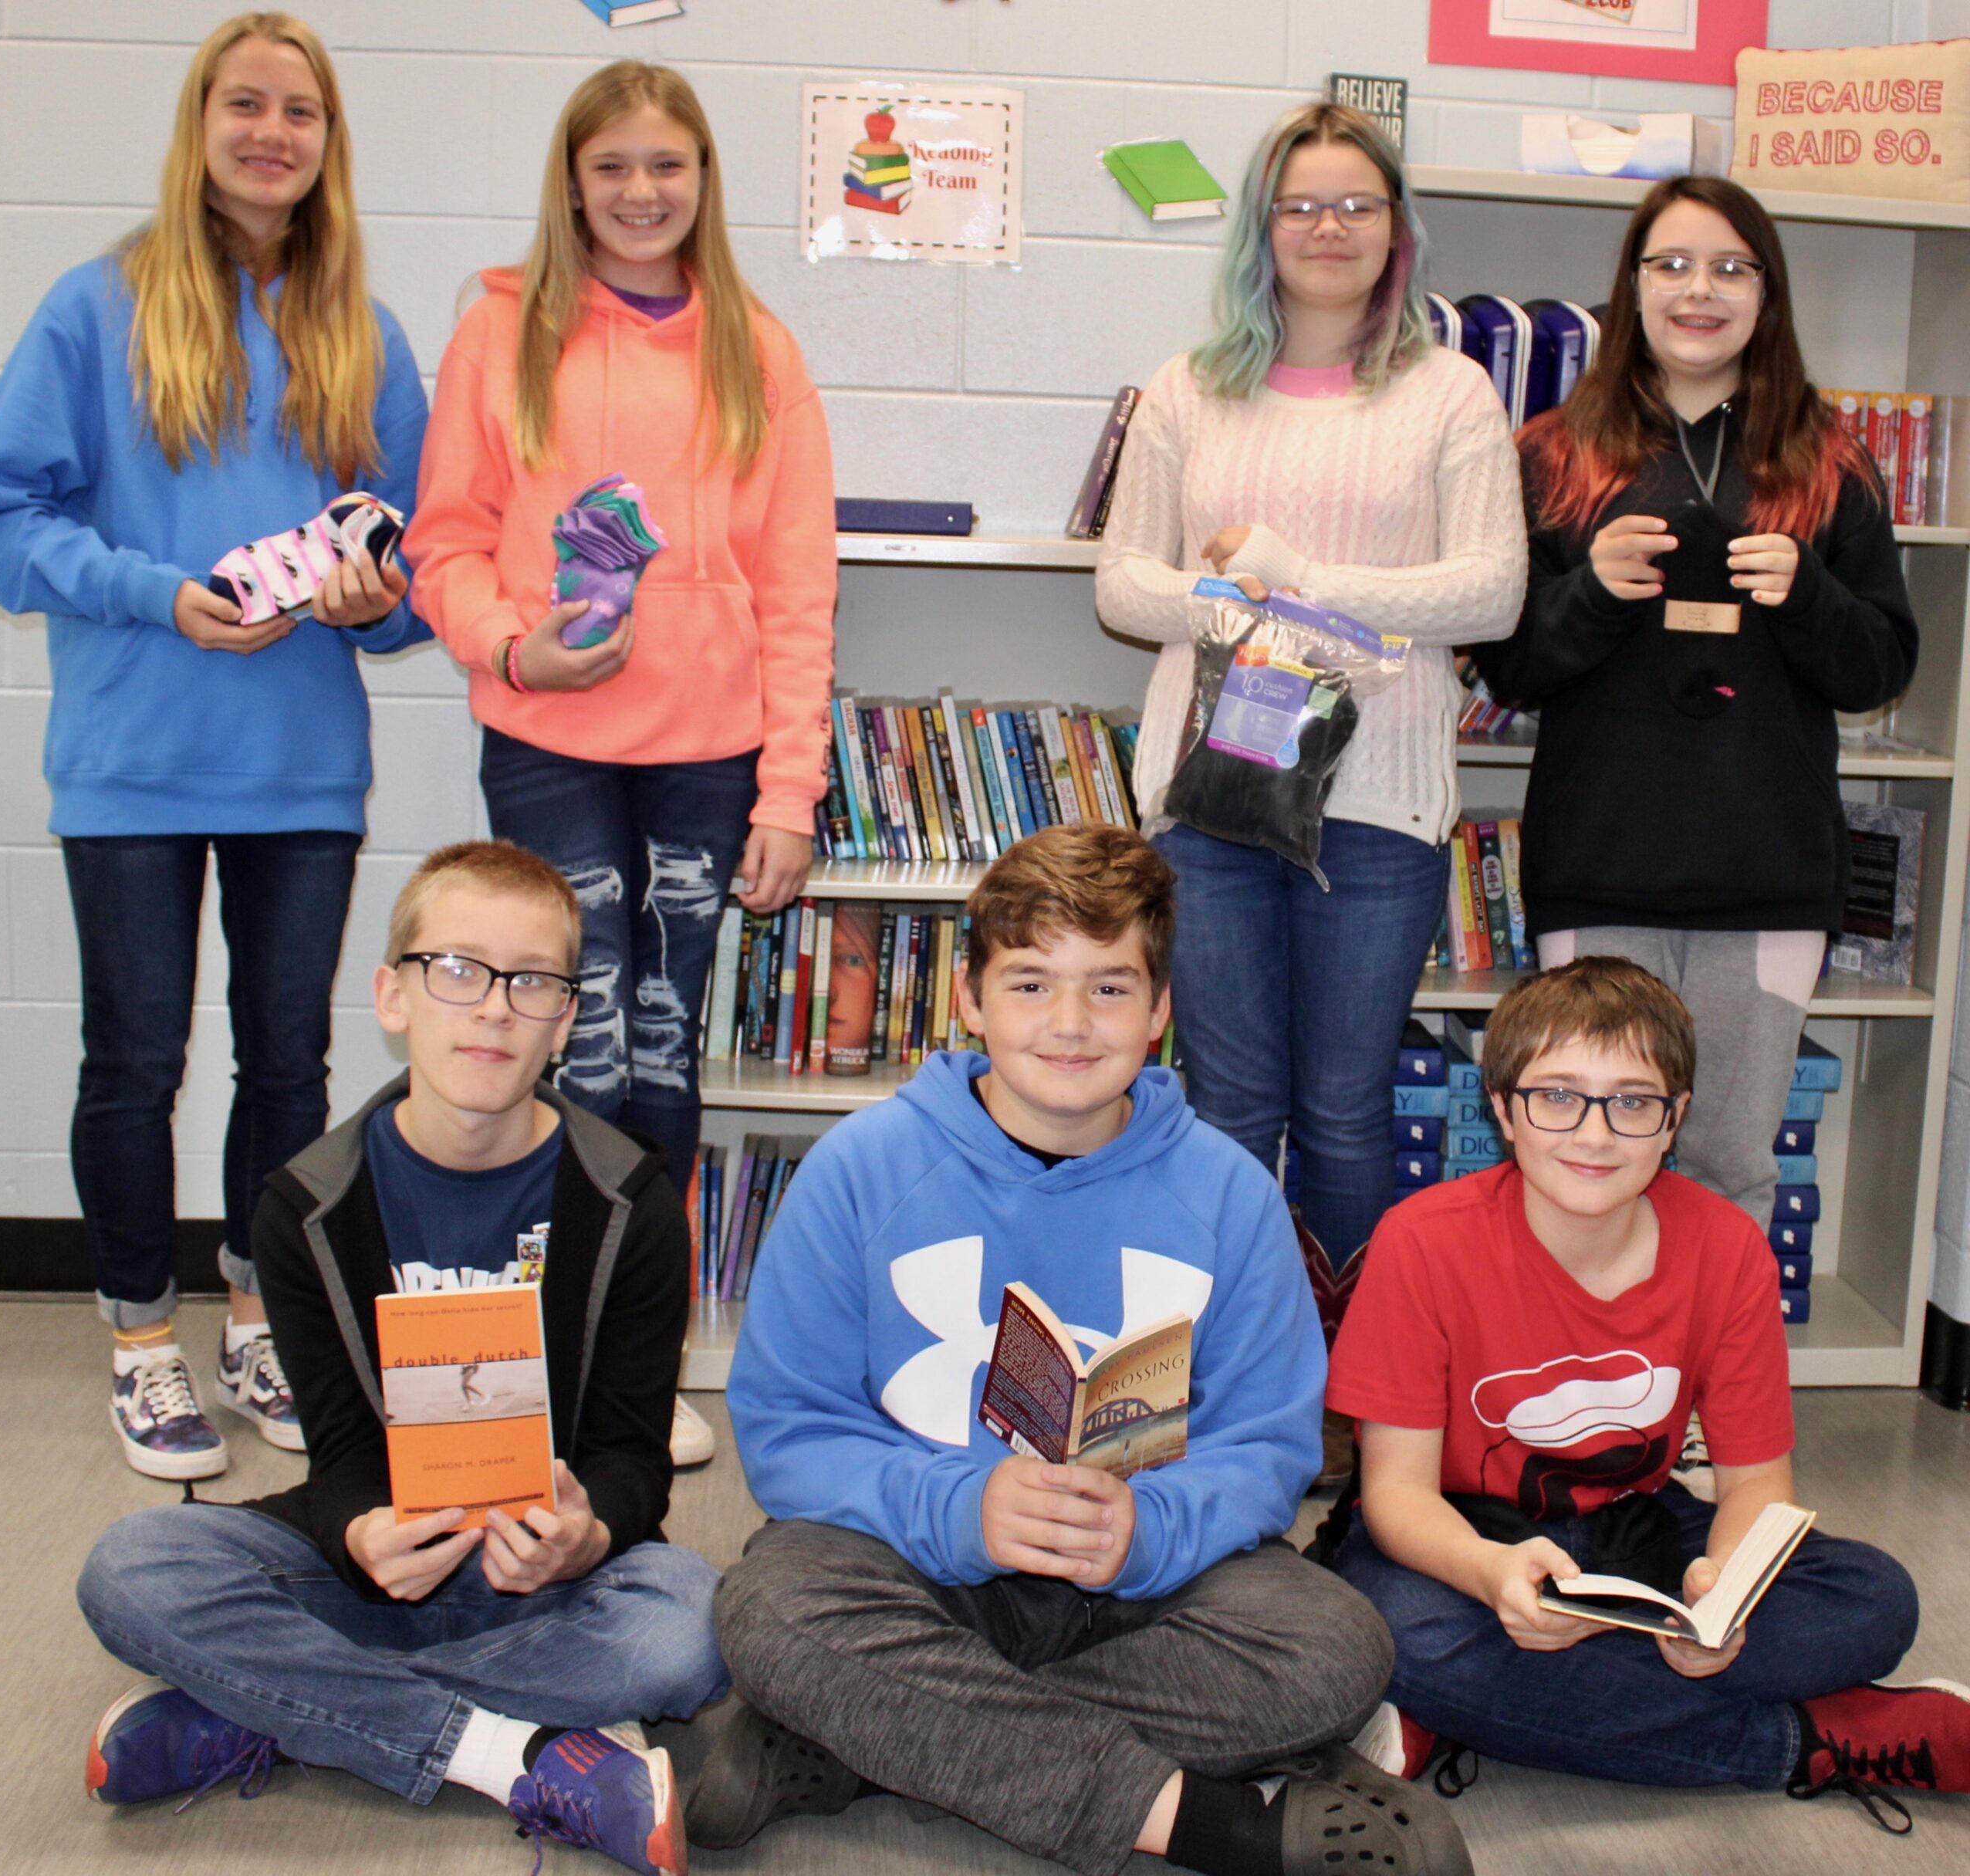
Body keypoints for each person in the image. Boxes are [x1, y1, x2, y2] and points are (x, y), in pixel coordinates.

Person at [699, 826, 1472, 1876]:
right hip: (920, 1564)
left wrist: (1146, 1528)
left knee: (1335, 1647)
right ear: (970, 1000)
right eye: (1030, 983)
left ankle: (864, 1741)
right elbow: (791, 1432)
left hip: (1146, 1582)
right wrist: (961, 1508)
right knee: (771, 1607)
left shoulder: (1230, 1191)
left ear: (1159, 1011)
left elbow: (1266, 1446)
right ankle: (1218, 1824)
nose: (1069, 1023)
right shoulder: (859, 1168)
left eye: (1109, 988)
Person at [76, 840, 725, 1876]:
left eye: (533, 981)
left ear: (565, 1018)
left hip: (543, 1578)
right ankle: (508, 1752)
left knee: (689, 1627)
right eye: (457, 969)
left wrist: (587, 1532)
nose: (495, 1008)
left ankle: (269, 1706)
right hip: (377, 1558)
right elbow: (338, 1452)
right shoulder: (306, 1204)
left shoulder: (630, 1201)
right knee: (131, 1565)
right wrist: (361, 1531)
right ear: (393, 996)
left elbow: (631, 1458)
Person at [0, 11, 427, 1480]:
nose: (271, 134)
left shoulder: (365, 333)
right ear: (199, 123)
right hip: (131, 758)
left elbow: (405, 569)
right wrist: (153, 595)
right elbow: (10, 520)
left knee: (288, 1064)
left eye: (300, 112)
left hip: (299, 769)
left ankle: (257, 1317)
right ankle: (137, 1338)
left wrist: (372, 601)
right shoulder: (93, 307)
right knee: (134, 1059)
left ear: (328, 143)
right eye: (245, 104)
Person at [1324, 957, 1965, 1831]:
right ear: (1503, 1108)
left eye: (1632, 1102)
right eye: (1557, 1096)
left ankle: (1487, 1709)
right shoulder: (1421, 1241)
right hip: (1461, 1541)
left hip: (1638, 1531)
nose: (1594, 1134)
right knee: (1386, 1633)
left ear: (1675, 1118)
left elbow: (1757, 1485)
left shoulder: (1727, 1248)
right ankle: (1809, 1740)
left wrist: (1722, 1593)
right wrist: (1490, 1576)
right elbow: (1396, 1494)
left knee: (1877, 1598)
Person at [1094, 100, 1526, 1279]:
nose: (1329, 227)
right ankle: (1221, 1358)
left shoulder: (1451, 394)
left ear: (1397, 227)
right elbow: (1124, 584)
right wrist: (1235, 605)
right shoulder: (1188, 388)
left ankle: (1352, 1370)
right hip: (1213, 794)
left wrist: (1299, 579)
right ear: (1262, 225)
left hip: (1377, 804)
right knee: (1227, 1103)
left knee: (1344, 1109)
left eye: (1356, 204)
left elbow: (1492, 591)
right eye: (1301, 205)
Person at [406, 57, 836, 1201]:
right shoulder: (499, 332)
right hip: (548, 738)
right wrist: (513, 649)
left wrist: (788, 795)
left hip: (708, 748)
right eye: (612, 167)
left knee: (663, 1039)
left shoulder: (760, 348)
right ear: (572, 182)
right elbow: (443, 544)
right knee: (577, 1034)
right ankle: (564, 1298)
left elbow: (798, 588)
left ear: (704, 176)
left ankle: (640, 1305)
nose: (641, 191)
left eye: (666, 164)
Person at [1474, 175, 1918, 1234]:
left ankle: (1718, 1358)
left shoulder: (1828, 462)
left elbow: (1880, 667)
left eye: (1729, 268)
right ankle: (1590, 1354)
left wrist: (1806, 593)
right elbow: (1508, 664)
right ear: (1633, 286)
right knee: (1583, 1166)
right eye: (1670, 265)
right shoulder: (1552, 455)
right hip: (1600, 869)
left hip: (1766, 881)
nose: (1698, 291)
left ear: (1767, 292)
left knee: (1728, 1168)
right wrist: (1593, 589)